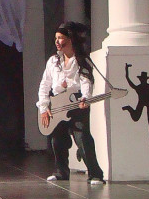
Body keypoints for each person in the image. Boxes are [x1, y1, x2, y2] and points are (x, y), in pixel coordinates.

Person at [36, 21, 105, 185]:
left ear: (70, 39)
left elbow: (86, 80)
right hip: (57, 103)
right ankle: (61, 172)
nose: (57, 41)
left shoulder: (81, 60)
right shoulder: (53, 61)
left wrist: (85, 97)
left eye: (60, 38)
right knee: (57, 140)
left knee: (82, 138)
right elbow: (45, 84)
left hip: (76, 102)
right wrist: (44, 107)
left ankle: (95, 174)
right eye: (56, 38)